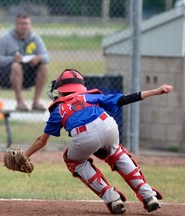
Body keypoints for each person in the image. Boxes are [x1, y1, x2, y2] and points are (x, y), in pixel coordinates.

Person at [19, 69, 173, 214]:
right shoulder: (89, 96)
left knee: (73, 160)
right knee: (117, 153)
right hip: (108, 124)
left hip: (83, 135)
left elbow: (42, 141)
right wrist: (156, 91)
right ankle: (148, 195)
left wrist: (25, 155)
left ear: (61, 90)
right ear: (80, 87)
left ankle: (112, 198)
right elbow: (125, 98)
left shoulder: (58, 109)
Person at [0, 13, 50, 111]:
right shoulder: (6, 38)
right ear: (16, 25)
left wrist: (38, 58)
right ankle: (20, 103)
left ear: (30, 25)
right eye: (21, 24)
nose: (24, 26)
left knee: (44, 67)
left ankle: (36, 102)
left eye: (26, 24)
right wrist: (12, 59)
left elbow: (46, 57)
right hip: (6, 76)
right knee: (16, 66)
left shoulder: (34, 38)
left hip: (27, 76)